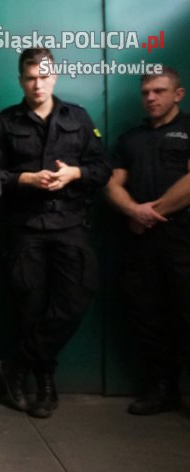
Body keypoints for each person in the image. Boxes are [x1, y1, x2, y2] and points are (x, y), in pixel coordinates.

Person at [0, 49, 111, 418]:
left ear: (54, 76)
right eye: (30, 78)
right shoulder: (4, 122)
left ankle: (16, 365)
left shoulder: (78, 117)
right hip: (24, 229)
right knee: (30, 308)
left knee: (73, 302)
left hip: (69, 225)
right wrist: (24, 179)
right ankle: (44, 382)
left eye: (43, 77)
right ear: (20, 80)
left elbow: (102, 168)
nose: (37, 84)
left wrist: (75, 173)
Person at [105, 67, 190, 415]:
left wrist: (149, 214)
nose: (151, 98)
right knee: (149, 318)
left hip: (182, 242)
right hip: (141, 246)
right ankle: (162, 391)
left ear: (178, 94)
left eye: (159, 91)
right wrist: (132, 211)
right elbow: (112, 184)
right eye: (146, 92)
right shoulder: (131, 139)